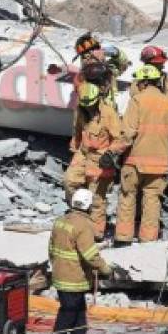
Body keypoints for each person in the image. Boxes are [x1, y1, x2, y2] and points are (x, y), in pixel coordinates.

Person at [47, 190, 124, 334]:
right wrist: (106, 270)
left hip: (60, 275)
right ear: (88, 206)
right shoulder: (84, 225)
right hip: (73, 278)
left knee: (79, 314)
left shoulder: (60, 221)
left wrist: (58, 266)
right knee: (67, 315)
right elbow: (90, 254)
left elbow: (51, 250)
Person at [115, 65, 168, 245]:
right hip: (160, 163)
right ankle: (148, 239)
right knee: (152, 200)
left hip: (135, 161)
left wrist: (114, 152)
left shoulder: (137, 100)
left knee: (128, 197)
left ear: (143, 82)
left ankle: (123, 238)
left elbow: (128, 133)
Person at [64, 83, 124, 239]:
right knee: (69, 181)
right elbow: (77, 132)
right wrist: (73, 151)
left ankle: (95, 234)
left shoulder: (108, 113)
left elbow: (120, 138)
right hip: (83, 154)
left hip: (100, 158)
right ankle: (79, 219)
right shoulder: (81, 110)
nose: (89, 109)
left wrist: (111, 153)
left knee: (96, 197)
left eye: (91, 106)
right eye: (86, 106)